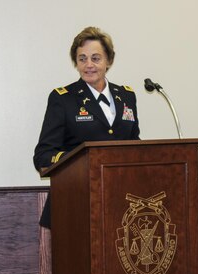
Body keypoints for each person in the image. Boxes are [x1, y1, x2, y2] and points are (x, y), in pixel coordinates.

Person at [34, 26, 140, 229]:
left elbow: (133, 145)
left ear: (109, 60)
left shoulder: (127, 96)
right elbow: (43, 156)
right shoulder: (62, 99)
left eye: (96, 58)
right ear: (76, 62)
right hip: (73, 202)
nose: (88, 65)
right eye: (82, 59)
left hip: (119, 204)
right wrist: (83, 161)